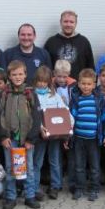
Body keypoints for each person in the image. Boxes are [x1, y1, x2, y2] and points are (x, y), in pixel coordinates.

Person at [0, 60, 42, 209]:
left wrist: (31, 139)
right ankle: (11, 197)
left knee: (28, 168)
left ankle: (30, 196)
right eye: (14, 74)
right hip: (10, 139)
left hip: (26, 140)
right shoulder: (5, 94)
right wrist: (4, 136)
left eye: (20, 74)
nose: (17, 77)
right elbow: (0, 116)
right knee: (10, 167)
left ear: (25, 75)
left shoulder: (30, 93)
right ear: (9, 76)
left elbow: (37, 117)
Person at [69, 68, 105, 201]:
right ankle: (79, 188)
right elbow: (70, 119)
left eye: (89, 84)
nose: (86, 87)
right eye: (83, 84)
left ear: (94, 85)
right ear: (79, 84)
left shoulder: (99, 99)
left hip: (94, 139)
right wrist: (67, 137)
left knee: (94, 166)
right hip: (78, 138)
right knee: (79, 166)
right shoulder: (76, 99)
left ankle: (94, 188)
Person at [31, 66, 70, 201]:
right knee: (37, 161)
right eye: (39, 81)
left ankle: (55, 186)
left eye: (45, 81)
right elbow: (32, 115)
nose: (42, 84)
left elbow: (65, 112)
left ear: (49, 82)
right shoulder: (31, 95)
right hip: (40, 135)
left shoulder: (55, 95)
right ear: (35, 80)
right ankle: (34, 187)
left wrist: (68, 128)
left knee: (55, 160)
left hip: (55, 135)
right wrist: (40, 128)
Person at [44, 10, 95, 79]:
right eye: (65, 21)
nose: (68, 25)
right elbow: (45, 68)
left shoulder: (84, 42)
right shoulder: (51, 42)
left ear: (76, 23)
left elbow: (90, 67)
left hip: (79, 84)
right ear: (60, 22)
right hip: (56, 84)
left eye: (71, 22)